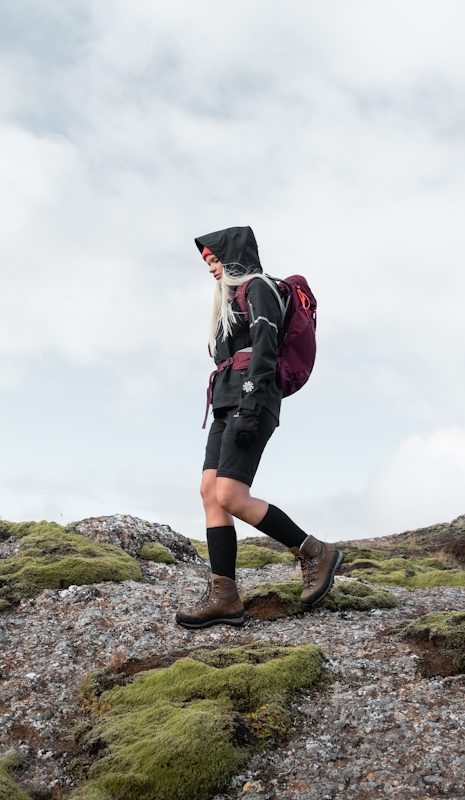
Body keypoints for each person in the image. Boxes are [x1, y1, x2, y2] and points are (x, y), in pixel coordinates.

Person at [176, 226, 343, 629]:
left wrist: (250, 407)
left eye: (216, 260)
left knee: (231, 495)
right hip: (227, 403)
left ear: (234, 258)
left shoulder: (258, 288)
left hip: (252, 400)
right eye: (208, 263)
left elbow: (265, 348)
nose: (211, 268)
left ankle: (315, 552)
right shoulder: (229, 300)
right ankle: (225, 596)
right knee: (210, 492)